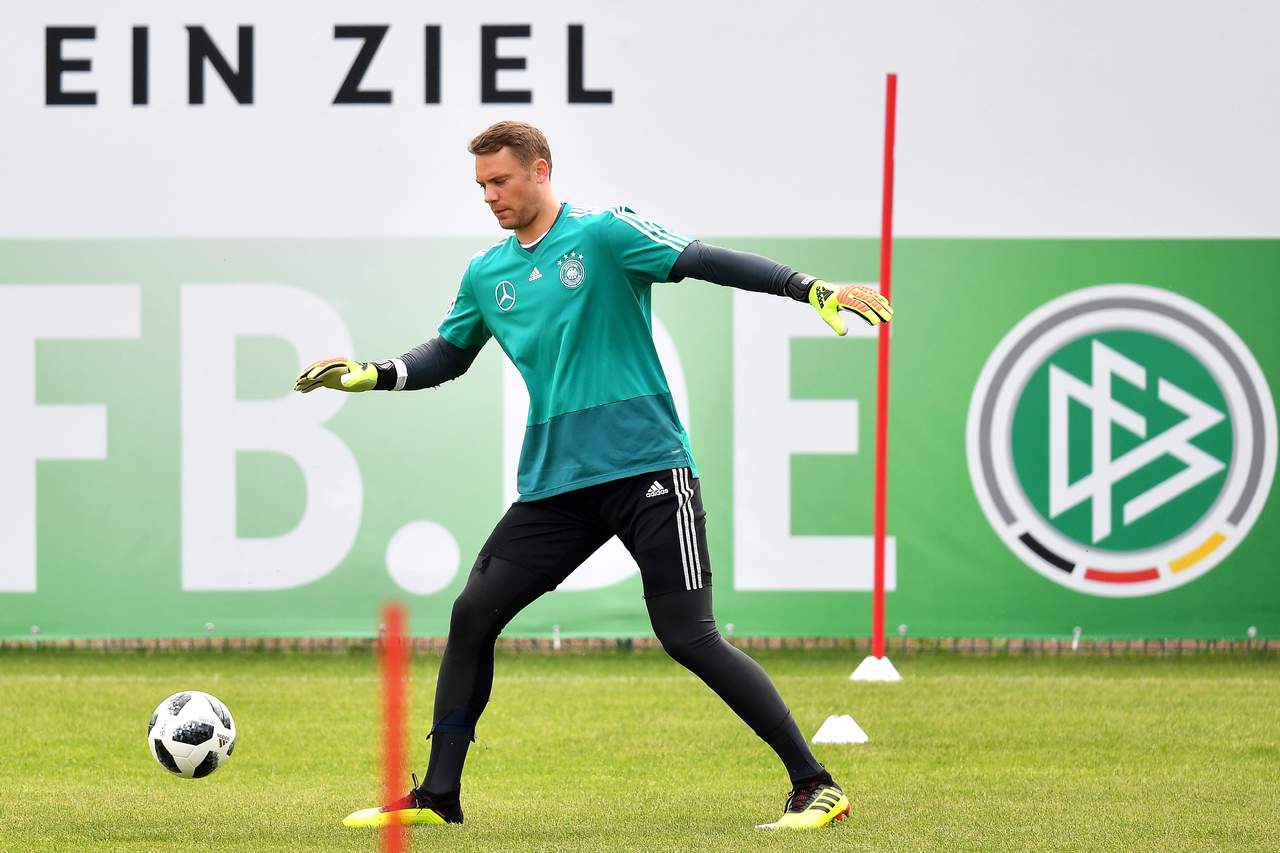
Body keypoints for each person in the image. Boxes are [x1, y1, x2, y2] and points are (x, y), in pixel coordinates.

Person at [295, 121, 893, 831]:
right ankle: (439, 795)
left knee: (687, 635)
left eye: (500, 181)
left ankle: (816, 784)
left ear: (540, 169)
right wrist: (375, 373)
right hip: (558, 485)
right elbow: (449, 354)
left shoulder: (605, 234)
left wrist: (807, 287)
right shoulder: (486, 273)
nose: (490, 196)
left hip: (648, 470)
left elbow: (702, 259)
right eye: (481, 186)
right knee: (472, 614)